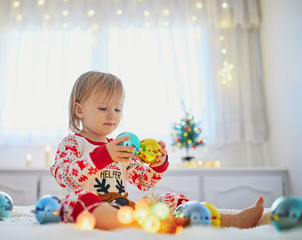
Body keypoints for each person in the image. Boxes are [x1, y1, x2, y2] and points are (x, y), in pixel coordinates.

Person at [50, 71, 266, 232]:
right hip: (88, 211)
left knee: (173, 199)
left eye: (117, 109)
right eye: (103, 108)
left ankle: (229, 221)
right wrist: (104, 154)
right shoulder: (72, 143)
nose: (112, 116)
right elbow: (66, 175)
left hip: (122, 209)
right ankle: (146, 223)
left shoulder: (122, 147)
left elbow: (144, 182)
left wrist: (157, 163)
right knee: (75, 200)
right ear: (79, 110)